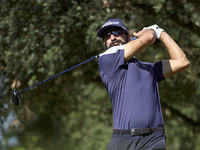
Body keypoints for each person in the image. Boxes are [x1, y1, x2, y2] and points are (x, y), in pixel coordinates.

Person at [97, 19, 190, 150]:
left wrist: (161, 33)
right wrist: (152, 31)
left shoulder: (149, 68)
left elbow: (182, 62)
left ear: (129, 37)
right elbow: (149, 37)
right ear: (105, 43)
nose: (112, 37)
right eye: (107, 36)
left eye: (117, 32)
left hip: (154, 140)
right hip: (124, 141)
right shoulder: (106, 59)